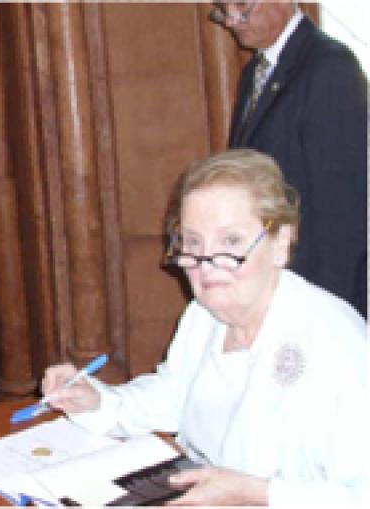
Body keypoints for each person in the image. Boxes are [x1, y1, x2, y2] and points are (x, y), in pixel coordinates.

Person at [41, 150, 368, 506]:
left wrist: (260, 495)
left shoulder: (335, 343)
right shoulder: (204, 314)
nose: (207, 266)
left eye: (230, 242)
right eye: (193, 244)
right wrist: (97, 401)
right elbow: (173, 396)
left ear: (280, 243)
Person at [213, 0, 367, 316]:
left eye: (241, 6)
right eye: (222, 8)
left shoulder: (330, 67)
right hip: (275, 284)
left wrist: (329, 311)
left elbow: (343, 212)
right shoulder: (254, 72)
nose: (230, 20)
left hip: (317, 291)